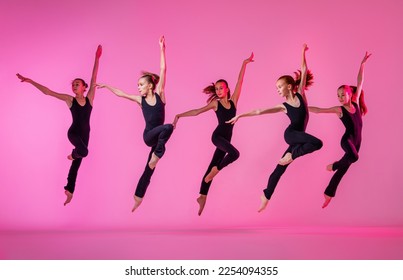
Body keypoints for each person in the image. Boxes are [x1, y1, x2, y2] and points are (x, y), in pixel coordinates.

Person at [227, 44, 322, 212]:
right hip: (291, 134)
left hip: (299, 136)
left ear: (290, 86)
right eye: (277, 88)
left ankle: (266, 195)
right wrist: (240, 115)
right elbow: (259, 111)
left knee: (280, 168)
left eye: (280, 86)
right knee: (317, 143)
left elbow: (304, 69)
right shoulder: (284, 106)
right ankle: (291, 157)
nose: (278, 90)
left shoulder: (301, 93)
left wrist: (302, 52)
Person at [16, 45, 102, 206]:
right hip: (74, 133)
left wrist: (97, 58)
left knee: (77, 163)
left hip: (85, 134)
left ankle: (69, 191)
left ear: (84, 87)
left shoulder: (90, 98)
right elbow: (48, 92)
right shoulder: (70, 100)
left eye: (78, 84)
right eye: (73, 84)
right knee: (82, 152)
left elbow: (94, 78)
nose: (74, 86)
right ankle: (73, 154)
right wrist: (30, 81)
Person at [173, 53, 254, 215]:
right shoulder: (215, 104)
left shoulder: (233, 101)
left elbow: (240, 81)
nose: (218, 91)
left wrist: (244, 63)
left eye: (221, 88)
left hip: (226, 139)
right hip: (217, 137)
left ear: (227, 89)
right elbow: (197, 111)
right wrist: (179, 115)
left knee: (212, 165)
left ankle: (202, 196)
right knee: (234, 154)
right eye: (216, 89)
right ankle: (216, 171)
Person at [97, 36, 172, 212]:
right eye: (138, 85)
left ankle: (138, 197)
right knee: (168, 127)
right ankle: (157, 155)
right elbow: (121, 94)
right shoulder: (140, 100)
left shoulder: (160, 93)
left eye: (140, 85)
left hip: (158, 137)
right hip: (148, 136)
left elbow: (163, 69)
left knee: (149, 169)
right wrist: (107, 86)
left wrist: (162, 49)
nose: (138, 88)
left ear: (150, 86)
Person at [309, 52, 371, 208]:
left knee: (343, 169)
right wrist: (303, 108)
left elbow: (360, 81)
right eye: (338, 96)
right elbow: (319, 110)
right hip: (347, 141)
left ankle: (328, 194)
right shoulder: (339, 109)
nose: (340, 98)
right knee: (353, 158)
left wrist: (362, 64)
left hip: (357, 143)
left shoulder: (356, 103)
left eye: (343, 95)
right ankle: (333, 166)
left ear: (350, 94)